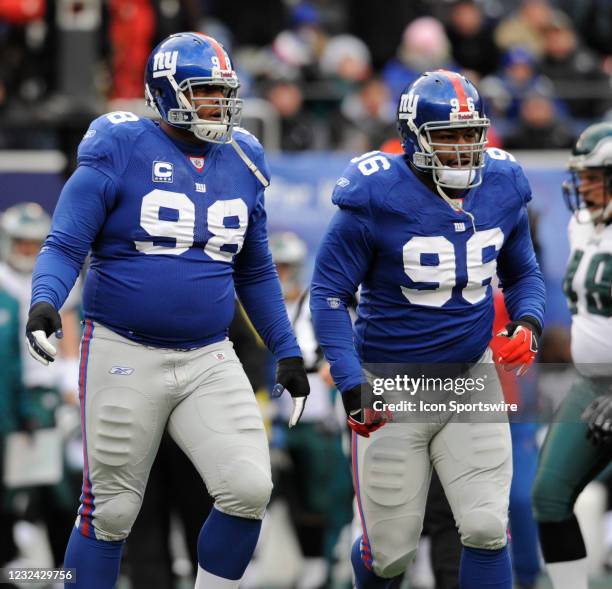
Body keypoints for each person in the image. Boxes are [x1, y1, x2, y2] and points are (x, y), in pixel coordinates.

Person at [24, 32, 310, 589]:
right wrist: (45, 303)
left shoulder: (244, 157)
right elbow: (64, 244)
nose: (218, 106)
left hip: (209, 354)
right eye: (205, 93)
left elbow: (253, 270)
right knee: (110, 511)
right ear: (167, 92)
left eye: (223, 93)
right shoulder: (119, 144)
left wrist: (288, 350)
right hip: (123, 348)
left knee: (249, 488)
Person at [310, 70, 545, 589]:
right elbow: (328, 295)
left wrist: (528, 322)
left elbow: (523, 271)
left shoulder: (502, 181)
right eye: (448, 136)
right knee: (389, 553)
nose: (463, 149)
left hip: (470, 378)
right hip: (393, 383)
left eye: (470, 134)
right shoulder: (374, 191)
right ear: (414, 136)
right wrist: (352, 382)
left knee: (486, 526)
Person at [531, 122, 612, 589]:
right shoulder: (581, 225)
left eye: (594, 175)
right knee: (549, 496)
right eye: (580, 175)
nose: (582, 185)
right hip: (591, 382)